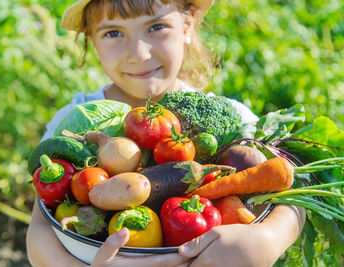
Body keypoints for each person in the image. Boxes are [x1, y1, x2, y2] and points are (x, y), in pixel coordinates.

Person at [26, 0, 306, 266]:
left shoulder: (235, 120)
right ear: (92, 40)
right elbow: (40, 226)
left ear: (188, 25)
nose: (140, 53)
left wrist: (269, 238)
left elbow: (298, 192)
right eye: (113, 32)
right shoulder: (71, 123)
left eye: (156, 27)